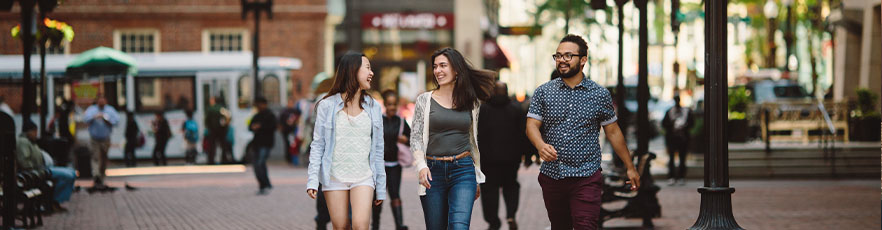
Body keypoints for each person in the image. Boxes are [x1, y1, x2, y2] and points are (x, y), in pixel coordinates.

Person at [525, 34, 641, 230]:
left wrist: (629, 166)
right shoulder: (543, 92)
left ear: (583, 60)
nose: (562, 60)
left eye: (568, 55)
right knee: (560, 226)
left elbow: (613, 131)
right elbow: (531, 125)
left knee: (586, 225)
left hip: (586, 175)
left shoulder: (599, 94)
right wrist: (540, 145)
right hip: (553, 176)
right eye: (558, 56)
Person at [410, 47, 495, 230]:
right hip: (433, 172)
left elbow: (473, 141)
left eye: (443, 66)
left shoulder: (471, 102)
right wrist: (421, 166)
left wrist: (476, 176)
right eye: (435, 67)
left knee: (459, 226)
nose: (438, 71)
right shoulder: (424, 101)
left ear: (456, 69)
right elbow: (416, 136)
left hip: (463, 171)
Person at [306, 51, 386, 230]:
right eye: (367, 68)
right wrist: (312, 180)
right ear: (352, 71)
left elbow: (378, 148)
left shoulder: (374, 107)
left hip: (363, 176)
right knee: (341, 226)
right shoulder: (326, 105)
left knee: (360, 225)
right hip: (334, 177)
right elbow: (318, 145)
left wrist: (380, 185)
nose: (371, 73)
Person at [477, 81, 534, 230]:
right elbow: (525, 134)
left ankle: (493, 221)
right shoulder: (516, 109)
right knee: (511, 187)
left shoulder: (483, 110)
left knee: (489, 190)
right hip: (511, 159)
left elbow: (477, 136)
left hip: (488, 160)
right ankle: (510, 215)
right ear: (507, 91)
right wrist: (528, 156)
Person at [15, 120, 76, 213]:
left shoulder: (31, 142)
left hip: (42, 169)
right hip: (37, 172)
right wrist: (36, 171)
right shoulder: (23, 142)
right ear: (29, 131)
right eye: (35, 131)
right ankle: (56, 201)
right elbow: (24, 162)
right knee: (68, 176)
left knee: (72, 172)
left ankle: (57, 201)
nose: (36, 133)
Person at [372, 90, 411, 230]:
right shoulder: (378, 120)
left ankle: (399, 225)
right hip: (379, 165)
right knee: (377, 196)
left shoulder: (401, 121)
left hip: (395, 165)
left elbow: (412, 139)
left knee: (395, 194)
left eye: (394, 104)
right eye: (389, 104)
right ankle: (375, 225)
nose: (392, 107)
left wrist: (406, 139)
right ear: (384, 104)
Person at [84, 95, 119, 188]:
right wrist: (94, 117)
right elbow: (86, 119)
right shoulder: (92, 110)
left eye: (103, 101)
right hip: (94, 138)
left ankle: (101, 178)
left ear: (105, 101)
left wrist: (105, 118)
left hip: (105, 138)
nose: (101, 102)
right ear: (97, 101)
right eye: (100, 101)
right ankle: (96, 175)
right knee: (95, 157)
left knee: (104, 158)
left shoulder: (110, 110)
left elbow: (116, 122)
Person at [662, 94, 693, 185]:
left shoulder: (686, 111)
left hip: (683, 138)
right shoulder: (669, 111)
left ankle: (681, 177)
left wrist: (684, 127)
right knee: (671, 158)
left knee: (682, 158)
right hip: (672, 138)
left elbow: (691, 123)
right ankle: (672, 176)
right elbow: (664, 124)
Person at [250, 96, 277, 195]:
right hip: (257, 143)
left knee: (260, 163)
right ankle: (264, 184)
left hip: (266, 143)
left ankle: (265, 185)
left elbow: (273, 127)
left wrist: (260, 126)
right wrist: (253, 126)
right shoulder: (256, 115)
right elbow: (250, 126)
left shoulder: (270, 115)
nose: (258, 106)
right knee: (257, 165)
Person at [205, 96, 232, 165]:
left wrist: (208, 128)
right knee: (223, 146)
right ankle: (224, 160)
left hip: (212, 130)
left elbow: (206, 120)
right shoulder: (222, 108)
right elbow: (229, 117)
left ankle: (211, 160)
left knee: (212, 146)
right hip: (222, 130)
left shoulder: (211, 109)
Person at [280, 99, 302, 165]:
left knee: (294, 145)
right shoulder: (284, 111)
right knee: (287, 145)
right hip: (286, 131)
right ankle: (289, 159)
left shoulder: (296, 111)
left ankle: (293, 159)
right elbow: (280, 121)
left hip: (294, 131)